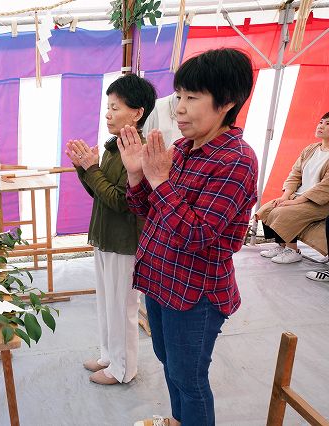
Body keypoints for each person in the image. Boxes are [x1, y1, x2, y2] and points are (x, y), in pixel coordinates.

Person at [118, 48, 258, 426]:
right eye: (179, 95)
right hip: (161, 280)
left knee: (190, 379)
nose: (178, 107)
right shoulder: (180, 149)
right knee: (170, 364)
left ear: (227, 103)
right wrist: (136, 176)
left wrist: (159, 181)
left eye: (192, 98)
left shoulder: (236, 160)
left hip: (196, 293)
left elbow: (196, 234)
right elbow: (151, 211)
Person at [64, 74, 157, 385]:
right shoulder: (113, 147)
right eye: (107, 107)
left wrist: (91, 169)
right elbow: (100, 194)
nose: (108, 113)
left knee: (123, 309)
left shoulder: (139, 151)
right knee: (106, 303)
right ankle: (108, 356)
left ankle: (124, 369)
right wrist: (85, 168)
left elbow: (121, 201)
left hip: (125, 241)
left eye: (115, 107)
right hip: (105, 236)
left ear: (138, 112)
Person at [256, 112, 329, 264]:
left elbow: (325, 187)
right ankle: (282, 246)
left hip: (319, 202)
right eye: (321, 122)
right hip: (298, 195)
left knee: (285, 213)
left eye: (327, 124)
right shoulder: (310, 149)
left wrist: (297, 201)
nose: (321, 126)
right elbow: (295, 174)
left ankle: (293, 250)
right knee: (268, 208)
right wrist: (286, 196)